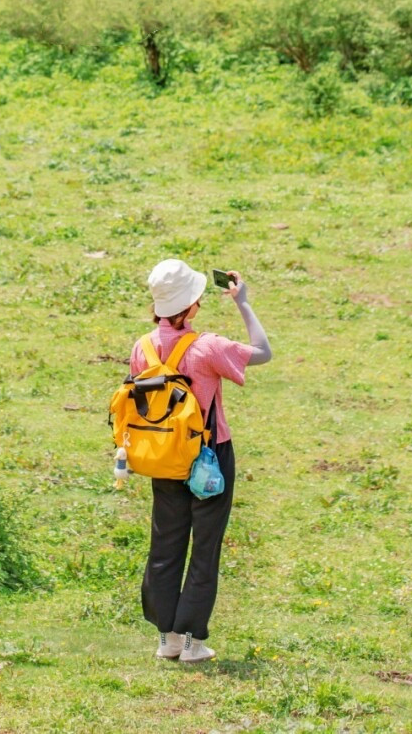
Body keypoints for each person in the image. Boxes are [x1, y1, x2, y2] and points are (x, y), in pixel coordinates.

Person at [131, 258, 272, 664]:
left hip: (163, 458)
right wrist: (243, 302)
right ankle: (193, 641)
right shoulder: (207, 346)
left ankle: (167, 639)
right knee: (204, 546)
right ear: (191, 305)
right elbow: (263, 352)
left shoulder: (141, 348)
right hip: (208, 458)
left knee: (165, 544)